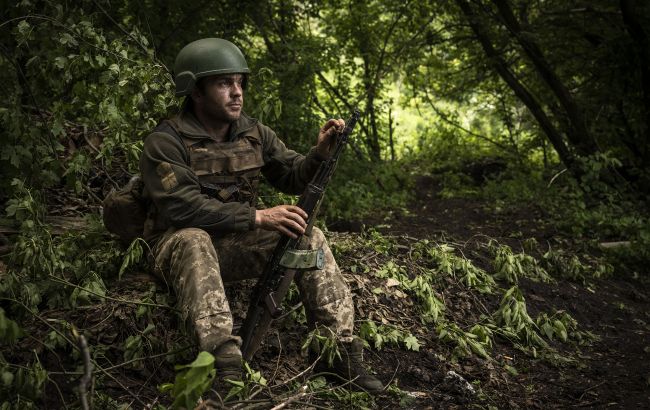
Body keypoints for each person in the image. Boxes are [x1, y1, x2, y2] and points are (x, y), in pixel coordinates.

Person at [139, 38, 383, 396]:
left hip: (230, 248)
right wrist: (257, 217)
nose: (237, 93)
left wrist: (317, 155)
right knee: (194, 237)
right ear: (196, 91)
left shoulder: (253, 133)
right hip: (174, 249)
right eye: (224, 84)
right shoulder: (166, 141)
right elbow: (181, 207)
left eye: (239, 83)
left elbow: (290, 175)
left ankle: (337, 351)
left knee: (306, 236)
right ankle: (224, 366)